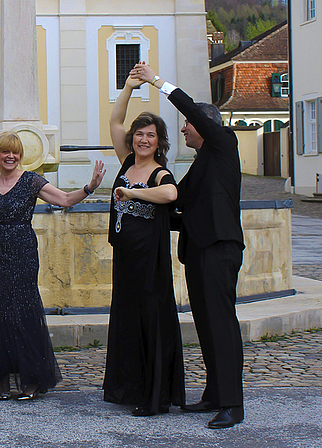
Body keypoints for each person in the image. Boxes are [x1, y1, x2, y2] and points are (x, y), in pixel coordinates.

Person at [0, 131, 105, 400]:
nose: (11, 156)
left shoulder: (31, 181)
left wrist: (89, 187)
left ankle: (31, 378)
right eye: (5, 152)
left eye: (15, 152)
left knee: (21, 312)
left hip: (22, 252)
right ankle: (1, 379)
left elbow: (65, 200)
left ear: (20, 155)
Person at [133, 62, 245, 429]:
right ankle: (214, 393)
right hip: (198, 251)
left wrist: (158, 82)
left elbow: (193, 110)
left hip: (218, 248)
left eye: (188, 124)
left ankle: (232, 403)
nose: (183, 127)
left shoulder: (224, 145)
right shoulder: (199, 166)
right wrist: (141, 208)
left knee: (221, 325)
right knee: (206, 325)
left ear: (205, 126)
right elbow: (182, 213)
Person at [102, 72, 185, 417]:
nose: (143, 140)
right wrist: (129, 88)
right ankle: (130, 388)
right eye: (140, 134)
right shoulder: (127, 161)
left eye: (150, 135)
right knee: (127, 321)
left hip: (150, 261)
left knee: (151, 320)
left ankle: (156, 396)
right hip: (125, 257)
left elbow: (170, 194)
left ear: (159, 141)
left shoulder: (159, 172)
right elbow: (114, 119)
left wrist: (133, 192)